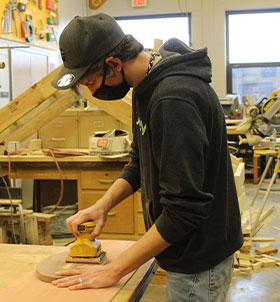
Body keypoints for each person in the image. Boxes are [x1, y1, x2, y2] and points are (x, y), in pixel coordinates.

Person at [51, 13, 243, 301]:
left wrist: (114, 270)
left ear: (113, 65)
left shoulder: (172, 98)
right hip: (185, 252)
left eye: (91, 82)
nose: (92, 91)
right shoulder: (145, 85)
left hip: (198, 263)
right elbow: (140, 161)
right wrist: (103, 206)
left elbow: (184, 210)